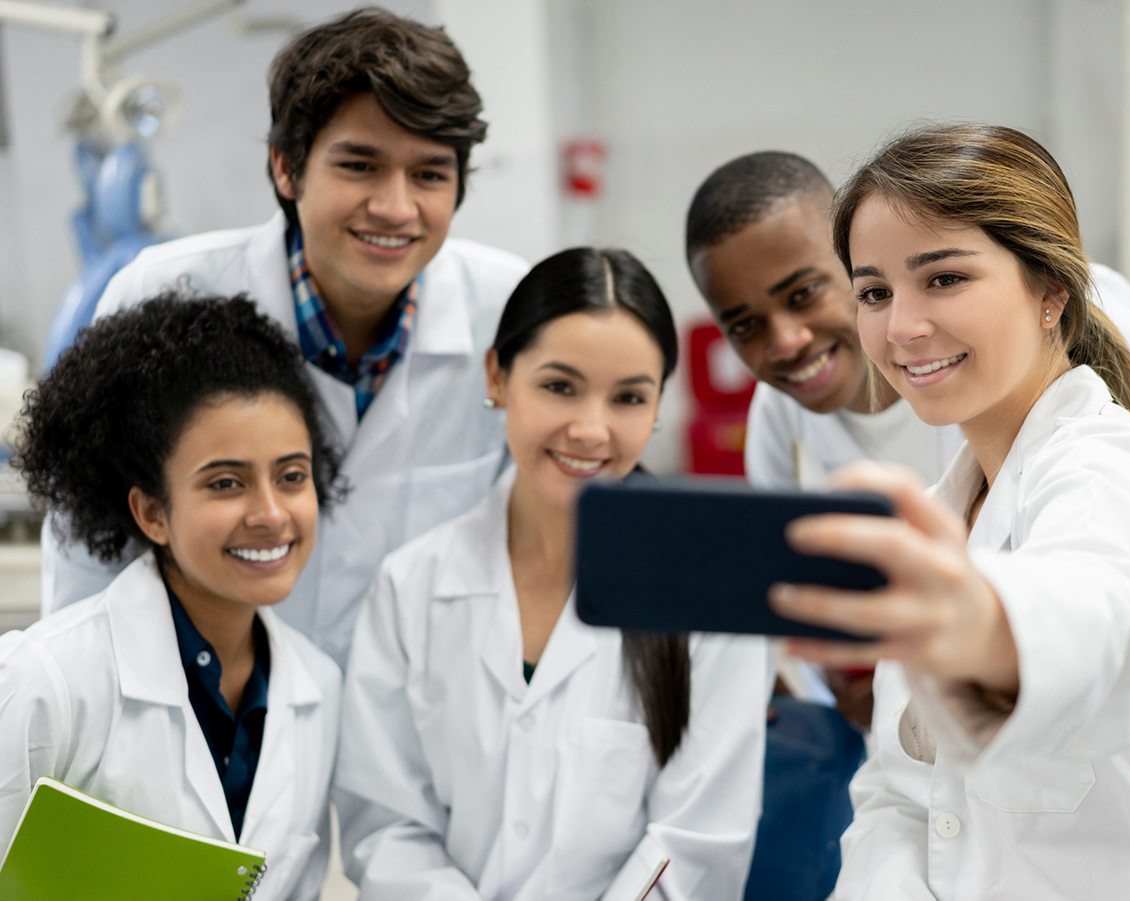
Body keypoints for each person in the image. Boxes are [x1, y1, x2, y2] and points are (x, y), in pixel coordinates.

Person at [768, 125, 1130, 900]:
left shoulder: (1116, 467)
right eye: (874, 292)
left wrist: (984, 628)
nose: (901, 327)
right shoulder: (942, 515)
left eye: (944, 279)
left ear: (1050, 290)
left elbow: (1106, 625)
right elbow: (898, 791)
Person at [42, 8, 528, 669]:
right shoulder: (167, 293)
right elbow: (89, 550)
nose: (395, 206)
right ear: (285, 168)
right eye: (359, 165)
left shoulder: (506, 313)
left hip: (408, 735)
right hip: (206, 724)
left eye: (429, 174)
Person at [334, 248, 770, 900]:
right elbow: (386, 822)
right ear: (497, 377)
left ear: (655, 410)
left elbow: (695, 844)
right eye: (559, 386)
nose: (589, 429)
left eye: (627, 397)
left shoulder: (710, 591)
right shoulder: (411, 586)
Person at [685, 151, 1130, 593]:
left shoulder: (1091, 444)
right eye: (744, 325)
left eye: (806, 291)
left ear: (1052, 295)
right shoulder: (783, 419)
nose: (786, 341)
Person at [1, 295, 344, 901]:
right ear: (153, 512)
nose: (270, 513)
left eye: (292, 476)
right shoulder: (48, 678)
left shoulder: (318, 687)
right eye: (226, 483)